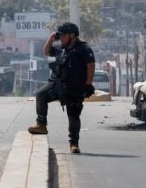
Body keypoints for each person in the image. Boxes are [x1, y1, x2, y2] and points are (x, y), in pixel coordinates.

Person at [27, 22, 96, 154]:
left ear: (72, 36)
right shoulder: (63, 50)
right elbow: (46, 51)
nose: (61, 38)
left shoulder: (83, 49)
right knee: (41, 95)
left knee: (73, 115)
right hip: (58, 85)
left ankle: (74, 144)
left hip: (75, 88)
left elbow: (90, 65)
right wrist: (52, 37)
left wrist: (88, 85)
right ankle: (41, 124)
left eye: (62, 35)